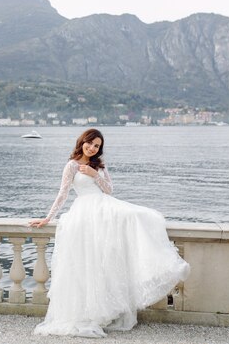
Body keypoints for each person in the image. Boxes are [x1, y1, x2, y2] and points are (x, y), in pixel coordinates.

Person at [29, 128, 190, 338]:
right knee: (89, 263)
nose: (93, 148)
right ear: (82, 142)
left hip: (104, 207)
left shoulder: (99, 165)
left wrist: (95, 175)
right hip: (85, 213)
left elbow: (109, 190)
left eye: (97, 146)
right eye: (90, 143)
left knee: (144, 218)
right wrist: (48, 218)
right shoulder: (72, 165)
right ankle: (88, 312)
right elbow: (63, 193)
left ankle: (167, 265)